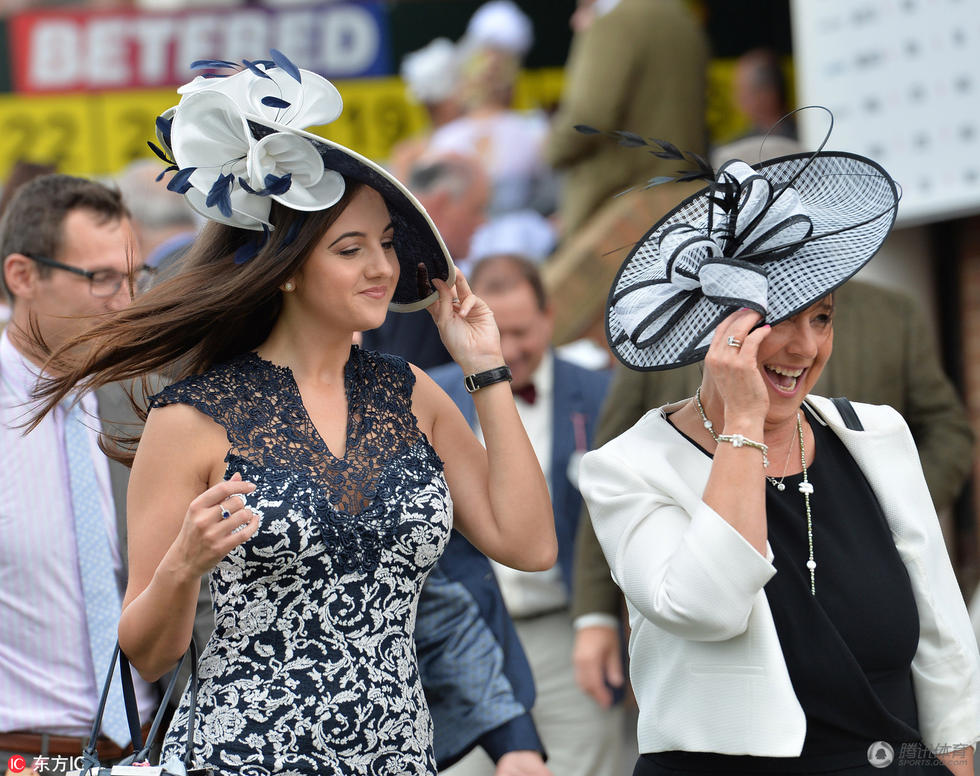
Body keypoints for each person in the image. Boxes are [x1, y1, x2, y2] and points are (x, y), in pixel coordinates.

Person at [28, 56, 557, 776]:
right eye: (351, 248)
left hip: (398, 761)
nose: (383, 268)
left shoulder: (411, 395)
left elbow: (529, 544)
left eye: (389, 244)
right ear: (286, 267)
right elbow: (148, 653)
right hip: (239, 760)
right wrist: (183, 564)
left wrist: (484, 367)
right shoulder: (192, 418)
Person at [579, 149, 980, 774]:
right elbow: (706, 607)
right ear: (716, 329)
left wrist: (957, 759)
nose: (806, 347)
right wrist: (743, 423)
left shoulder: (875, 435)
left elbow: (942, 641)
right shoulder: (628, 466)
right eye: (779, 322)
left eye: (822, 318)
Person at [0, 174, 175, 773]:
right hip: (22, 755)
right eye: (100, 279)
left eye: (134, 277)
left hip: (157, 747)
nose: (126, 303)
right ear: (22, 276)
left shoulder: (155, 395)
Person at [430, 256, 617, 776]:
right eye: (498, 333)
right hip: (466, 634)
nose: (509, 351)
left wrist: (599, 621)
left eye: (521, 332)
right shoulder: (430, 397)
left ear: (549, 316)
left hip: (564, 627)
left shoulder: (601, 394)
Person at [545, 0, 709, 241]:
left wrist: (548, 149)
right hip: (681, 207)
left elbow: (588, 117)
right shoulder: (682, 19)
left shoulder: (614, 23)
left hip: (619, 215)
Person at [362, 152, 490, 369]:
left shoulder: (398, 253)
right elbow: (413, 370)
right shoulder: (422, 267)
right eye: (477, 209)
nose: (482, 222)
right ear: (442, 202)